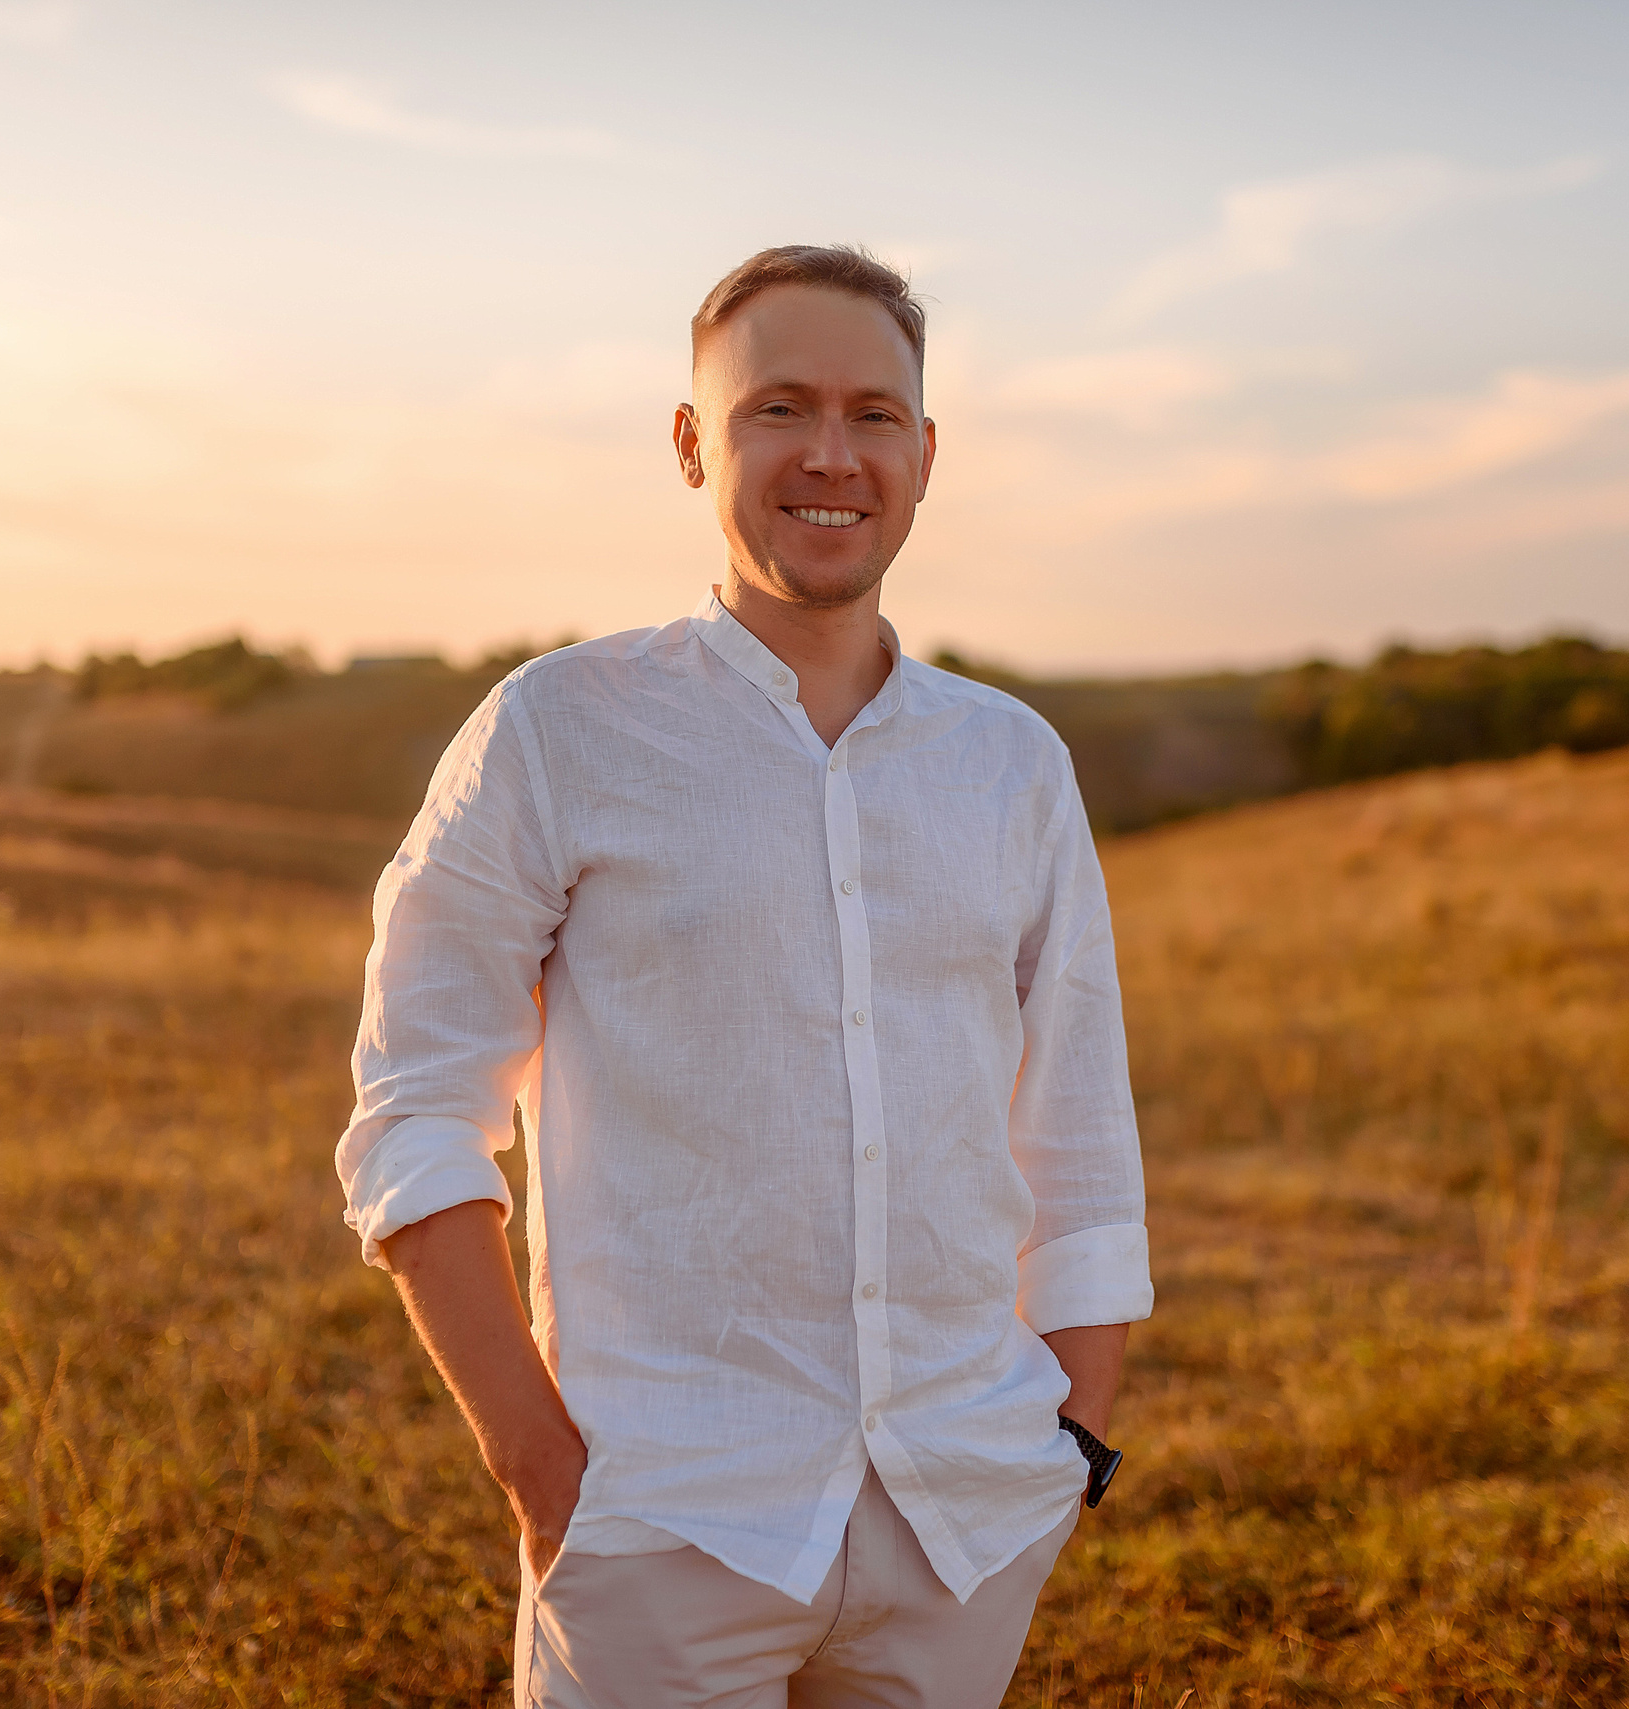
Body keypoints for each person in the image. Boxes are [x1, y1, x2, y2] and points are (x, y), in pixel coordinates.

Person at [335, 244, 1151, 1707]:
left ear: (925, 453)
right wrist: (541, 1471)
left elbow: (1078, 1134)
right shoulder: (555, 731)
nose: (831, 455)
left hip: (961, 1522)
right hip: (660, 1520)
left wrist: (1070, 1442)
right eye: (778, 407)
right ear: (690, 440)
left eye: (873, 414)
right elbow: (416, 1113)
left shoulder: (1012, 765)